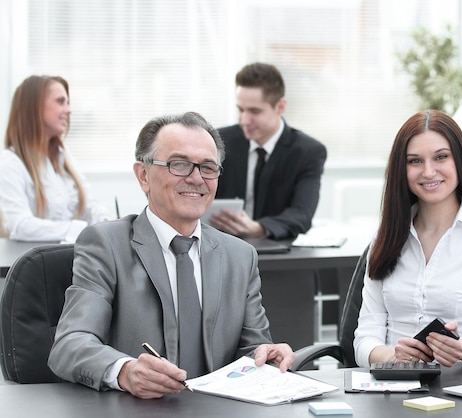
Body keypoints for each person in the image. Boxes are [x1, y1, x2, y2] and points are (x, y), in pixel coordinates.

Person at [48, 112, 295, 399]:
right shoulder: (106, 244)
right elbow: (70, 344)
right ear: (143, 175)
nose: (196, 178)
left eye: (207, 167)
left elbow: (252, 350)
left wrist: (268, 355)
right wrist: (124, 371)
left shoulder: (240, 256)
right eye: (179, 165)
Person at [353, 110, 462, 368]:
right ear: (402, 169)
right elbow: (363, 341)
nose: (428, 171)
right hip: (392, 391)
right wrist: (393, 356)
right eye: (414, 161)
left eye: (441, 157)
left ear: (460, 160)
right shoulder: (386, 237)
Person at [213, 62, 327, 239]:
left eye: (254, 111)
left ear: (280, 106)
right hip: (221, 244)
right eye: (241, 110)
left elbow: (302, 214)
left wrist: (259, 228)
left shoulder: (308, 152)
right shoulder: (219, 141)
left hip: (274, 248)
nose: (244, 120)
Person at [0, 75, 110, 242]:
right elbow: (20, 225)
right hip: (36, 263)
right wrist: (79, 229)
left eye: (67, 102)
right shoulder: (11, 162)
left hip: (66, 257)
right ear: (34, 107)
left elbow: (89, 204)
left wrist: (106, 221)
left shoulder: (63, 156)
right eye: (60, 101)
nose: (69, 110)